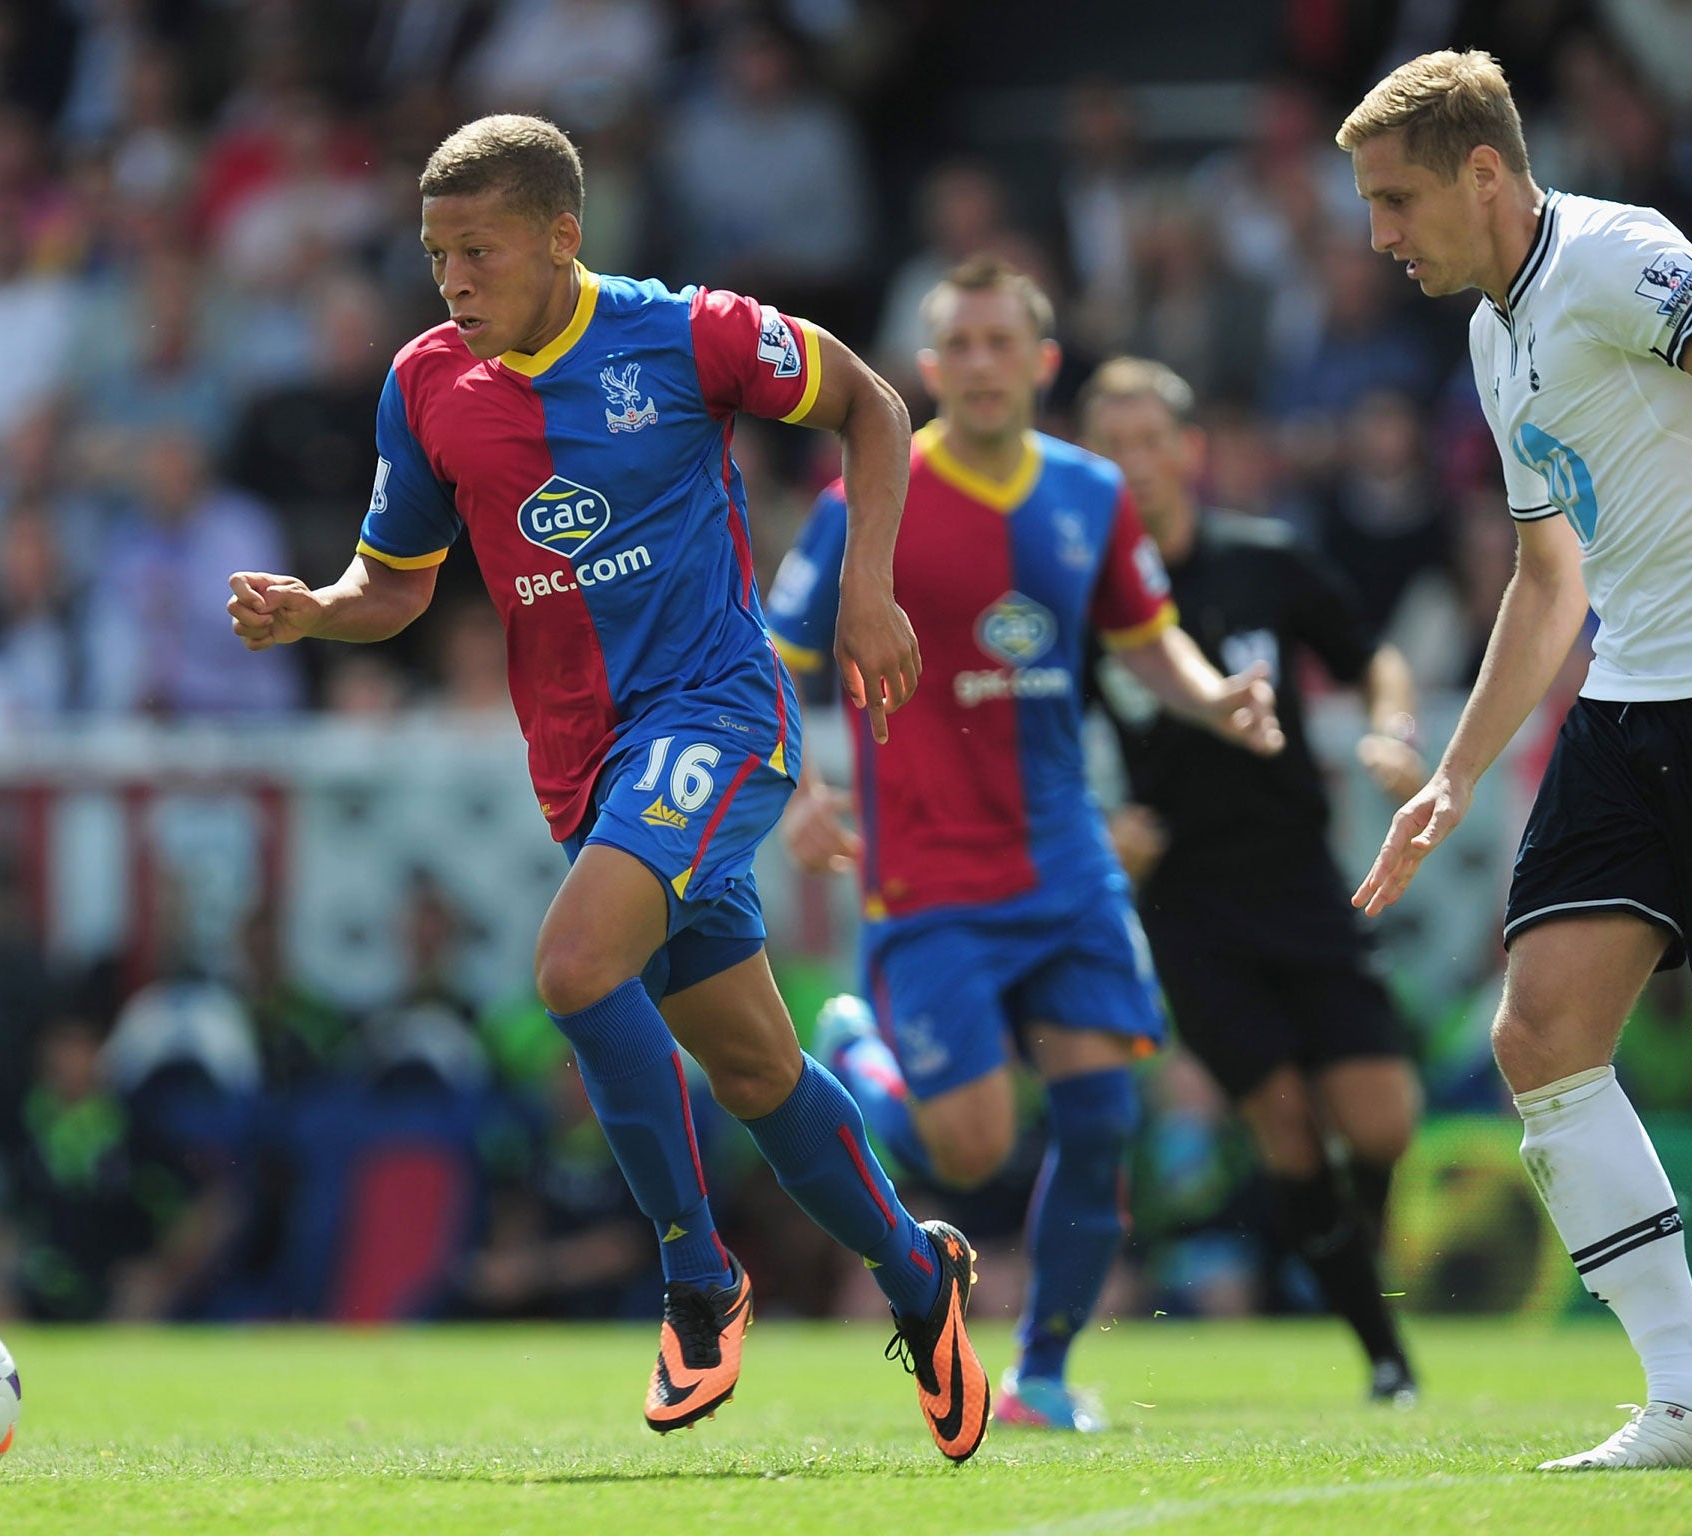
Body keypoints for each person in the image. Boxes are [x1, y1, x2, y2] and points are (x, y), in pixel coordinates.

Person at [224, 114, 991, 1461]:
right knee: (755, 1068)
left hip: (716, 719)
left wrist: (867, 585)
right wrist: (314, 612)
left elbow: (874, 402)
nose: (453, 279)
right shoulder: (426, 382)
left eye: (480, 250)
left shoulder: (686, 333)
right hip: (584, 769)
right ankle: (919, 1277)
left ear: (563, 235)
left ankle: (699, 1281)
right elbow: (395, 584)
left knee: (577, 967)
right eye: (436, 253)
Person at [1340, 50, 1692, 1469]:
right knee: (1539, 1032)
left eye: (1397, 200)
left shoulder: (1619, 258)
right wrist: (1459, 772)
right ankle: (1690, 1400)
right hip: (1628, 707)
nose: (1381, 235)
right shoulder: (1498, 338)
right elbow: (1548, 580)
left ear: (1483, 172)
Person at [769, 256, 1282, 1431]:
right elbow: (777, 658)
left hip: (1064, 864)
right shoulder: (867, 500)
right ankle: (858, 1053)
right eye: (963, 344)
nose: (985, 364)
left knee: (1104, 1115)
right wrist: (796, 786)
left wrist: (1214, 698)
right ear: (929, 366)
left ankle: (1041, 1378)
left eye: (1006, 343)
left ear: (1043, 363)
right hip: (930, 872)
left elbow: (1146, 639)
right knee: (967, 1147)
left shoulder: (1090, 494)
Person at [1078, 355, 1424, 1404]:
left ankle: (1329, 1250)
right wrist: (1104, 831)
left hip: (1298, 879)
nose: (1132, 463)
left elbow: (1373, 655)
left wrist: (1389, 730)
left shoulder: (1261, 560)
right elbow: (1037, 740)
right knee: (1279, 1120)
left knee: (1380, 1122)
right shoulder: (1081, 600)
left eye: (1149, 440)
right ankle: (1382, 1356)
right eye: (1109, 445)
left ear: (1186, 451)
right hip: (1185, 899)